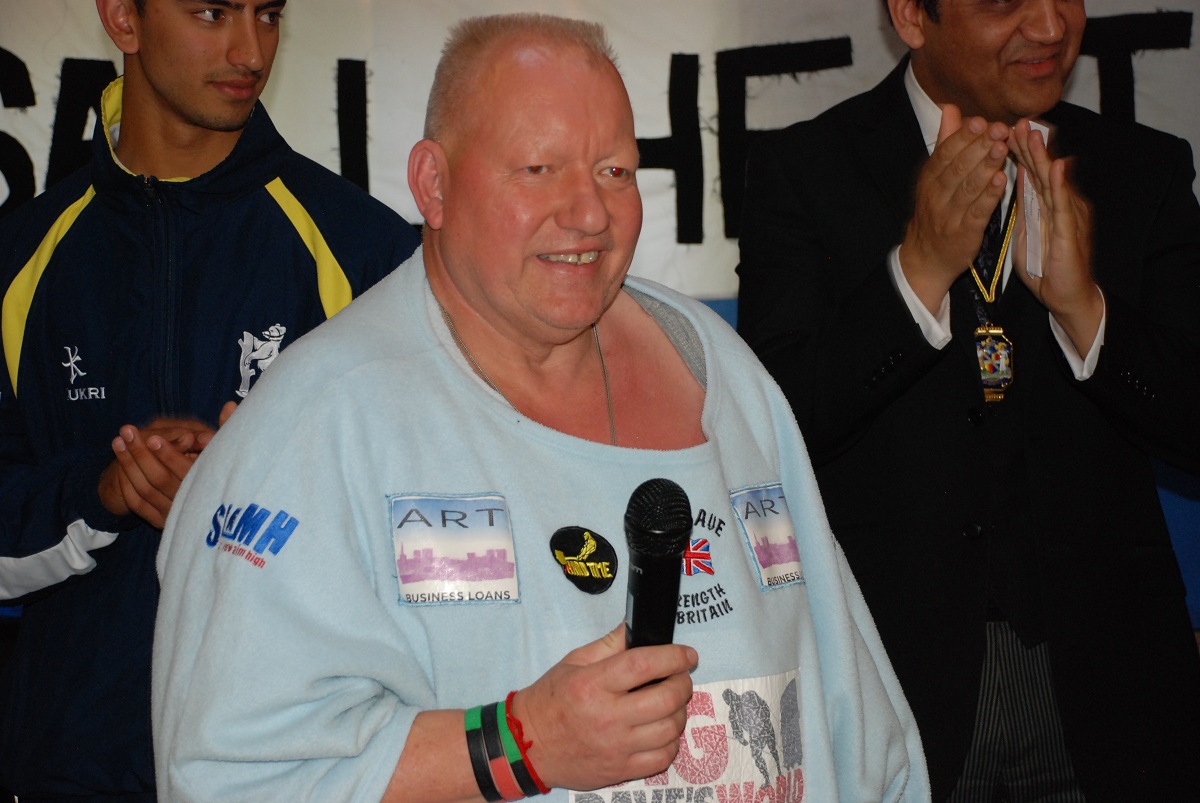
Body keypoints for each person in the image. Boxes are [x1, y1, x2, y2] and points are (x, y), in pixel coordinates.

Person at [151, 13, 929, 802]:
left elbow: (862, 726)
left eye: (615, 171)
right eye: (538, 169)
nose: (590, 213)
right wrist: (522, 744)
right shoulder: (316, 428)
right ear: (433, 184)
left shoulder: (718, 368)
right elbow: (231, 775)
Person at [736, 0, 1200, 799]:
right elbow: (774, 433)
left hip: (1114, 695)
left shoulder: (1142, 168)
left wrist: (1088, 314)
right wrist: (914, 275)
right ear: (912, 15)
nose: (1050, 27)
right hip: (893, 690)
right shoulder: (804, 170)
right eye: (1004, 2)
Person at [0, 0, 420, 797]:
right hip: (73, 768)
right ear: (123, 19)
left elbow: (435, 529)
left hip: (298, 769)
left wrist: (264, 493)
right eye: (212, 11)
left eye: (268, 14)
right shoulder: (22, 258)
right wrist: (99, 493)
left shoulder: (368, 251)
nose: (249, 49)